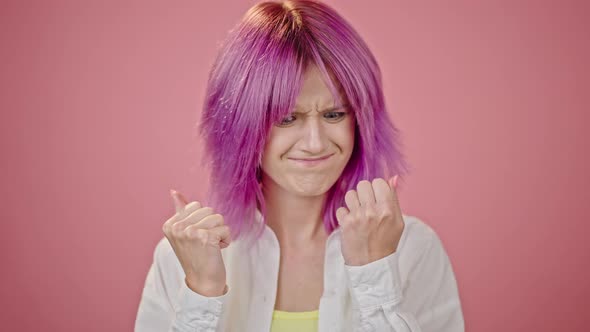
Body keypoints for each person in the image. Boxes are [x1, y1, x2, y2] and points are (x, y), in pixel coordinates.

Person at [134, 0, 464, 331]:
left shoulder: (413, 249)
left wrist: (375, 275)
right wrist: (202, 294)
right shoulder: (182, 258)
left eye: (334, 114)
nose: (315, 142)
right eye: (287, 118)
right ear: (240, 125)